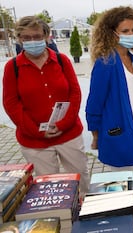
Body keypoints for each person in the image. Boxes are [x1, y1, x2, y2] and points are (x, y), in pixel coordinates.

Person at [2, 16, 90, 197]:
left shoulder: (61, 60)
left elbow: (75, 93)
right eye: (26, 38)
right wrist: (36, 131)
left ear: (46, 37)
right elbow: (11, 103)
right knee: (51, 190)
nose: (32, 41)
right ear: (19, 39)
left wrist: (63, 124)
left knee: (82, 182)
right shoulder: (13, 67)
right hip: (35, 142)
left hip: (69, 135)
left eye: (37, 36)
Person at [85, 6, 133, 180]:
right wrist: (95, 135)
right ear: (112, 33)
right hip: (119, 132)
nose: (130, 34)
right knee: (122, 180)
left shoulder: (131, 58)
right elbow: (95, 103)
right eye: (125, 31)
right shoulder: (105, 62)